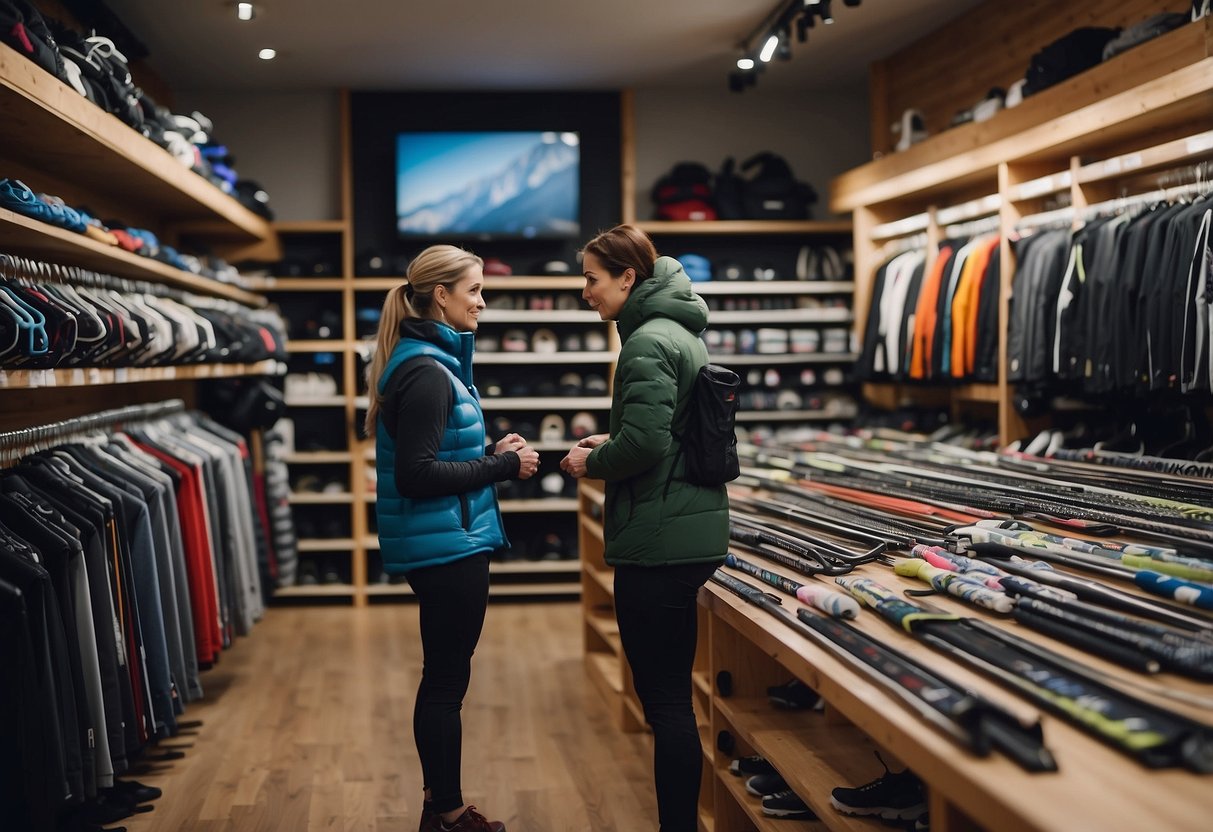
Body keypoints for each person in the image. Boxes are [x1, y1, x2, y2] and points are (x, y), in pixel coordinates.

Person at [364, 244, 539, 832]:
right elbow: (417, 475)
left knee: (444, 678)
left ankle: (440, 804)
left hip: (447, 538)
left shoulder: (424, 361)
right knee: (445, 683)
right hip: (448, 546)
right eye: (474, 291)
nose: (482, 303)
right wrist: (502, 469)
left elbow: (434, 459)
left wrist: (489, 455)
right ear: (441, 295)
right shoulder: (426, 372)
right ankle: (447, 813)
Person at [560, 224, 729, 832]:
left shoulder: (645, 344)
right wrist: (621, 439)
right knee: (674, 698)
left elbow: (648, 445)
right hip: (686, 531)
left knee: (666, 704)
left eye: (592, 278)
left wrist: (591, 460)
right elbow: (674, 433)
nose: (585, 292)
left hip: (657, 541)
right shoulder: (677, 333)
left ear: (628, 278)